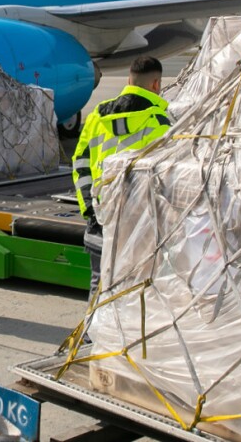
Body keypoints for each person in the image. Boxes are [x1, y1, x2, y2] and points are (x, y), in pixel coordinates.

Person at [72, 55, 171, 305]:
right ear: (156, 84)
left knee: (98, 284)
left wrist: (89, 208)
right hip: (140, 227)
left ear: (129, 79)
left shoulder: (96, 116)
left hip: (101, 218)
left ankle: (93, 337)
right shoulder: (159, 123)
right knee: (137, 291)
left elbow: (81, 162)